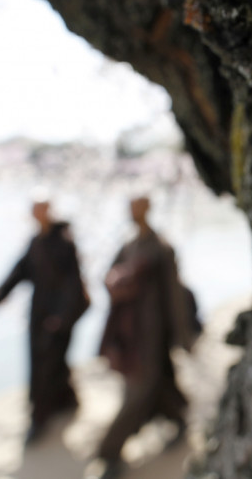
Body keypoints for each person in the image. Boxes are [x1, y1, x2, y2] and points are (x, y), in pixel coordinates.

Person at [93, 196, 197, 479]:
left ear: (147, 210)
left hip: (154, 334)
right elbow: (108, 281)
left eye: (138, 208)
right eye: (130, 208)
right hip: (132, 334)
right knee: (157, 384)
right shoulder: (128, 247)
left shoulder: (161, 249)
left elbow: (174, 296)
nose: (133, 213)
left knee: (138, 391)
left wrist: (183, 337)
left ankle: (109, 450)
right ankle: (178, 419)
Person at [0, 199, 90, 444]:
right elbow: (19, 271)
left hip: (58, 316)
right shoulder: (37, 242)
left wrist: (62, 316)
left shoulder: (63, 241)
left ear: (49, 212)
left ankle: (39, 419)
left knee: (45, 366)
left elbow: (74, 283)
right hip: (39, 313)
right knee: (49, 362)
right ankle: (67, 400)